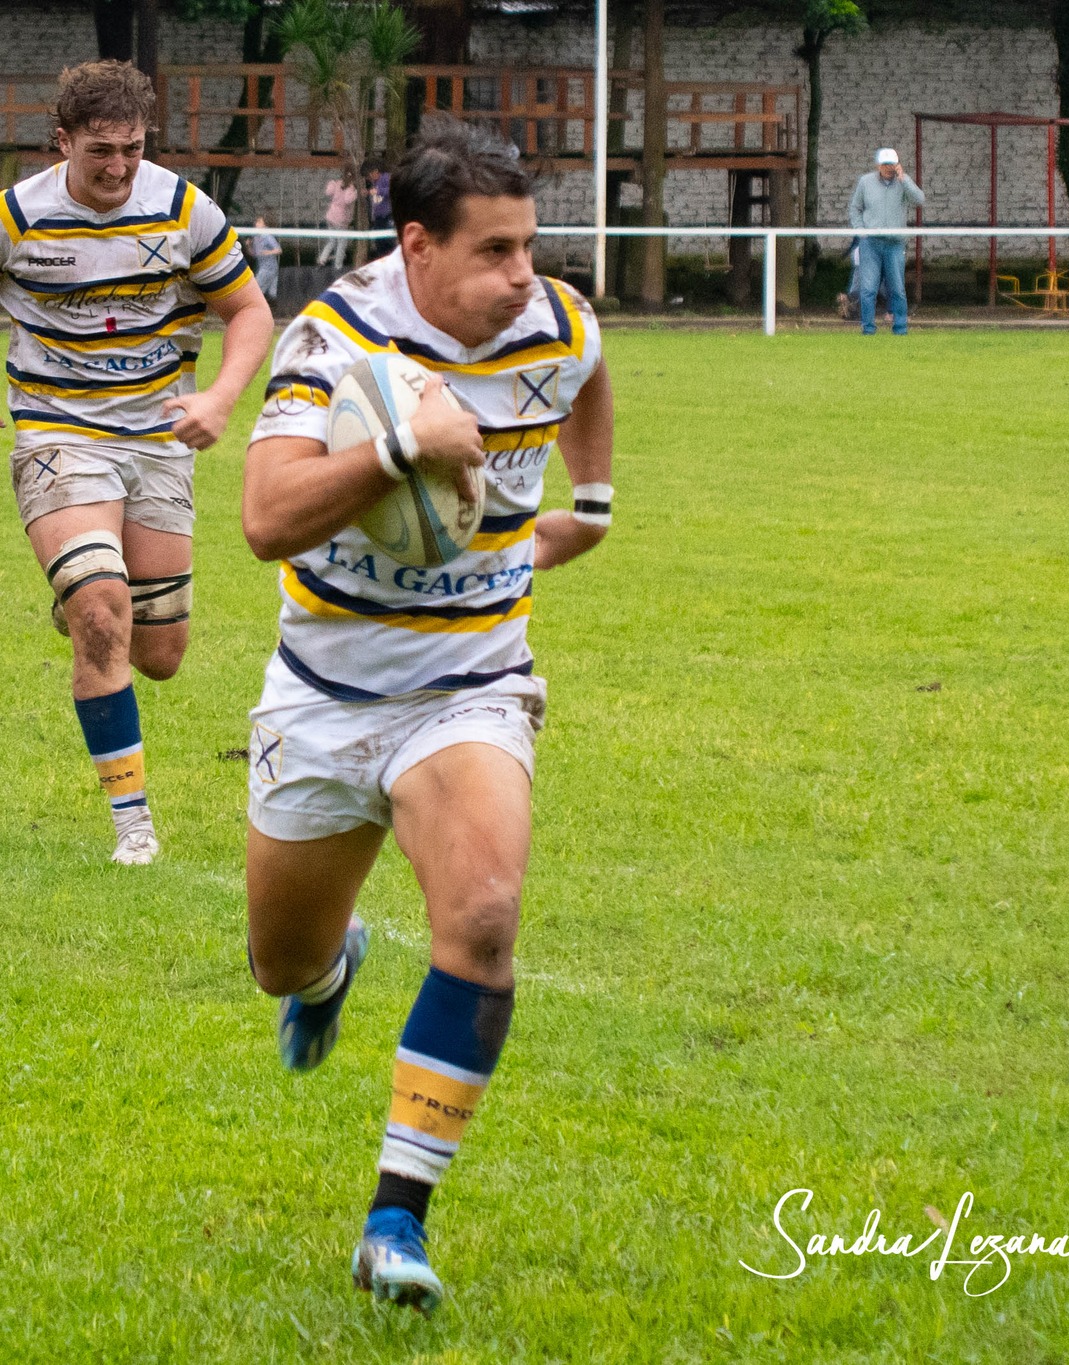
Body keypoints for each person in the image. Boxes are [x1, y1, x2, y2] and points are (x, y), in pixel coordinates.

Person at [239, 121, 613, 1314]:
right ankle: (324, 971)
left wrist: (591, 505)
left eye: (530, 246)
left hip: (470, 680)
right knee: (278, 960)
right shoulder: (332, 338)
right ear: (416, 244)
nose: (525, 276)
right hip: (327, 692)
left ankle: (395, 1219)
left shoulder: (548, 319)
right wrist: (405, 444)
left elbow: (589, 368)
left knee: (486, 918)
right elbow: (264, 517)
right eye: (496, 251)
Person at [1, 60, 271, 864]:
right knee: (101, 610)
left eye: (131, 148)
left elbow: (249, 310)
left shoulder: (185, 212)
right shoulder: (17, 219)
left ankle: (85, 588)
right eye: (100, 152)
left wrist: (219, 398)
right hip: (57, 432)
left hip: (159, 441)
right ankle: (134, 829)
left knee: (158, 655)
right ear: (63, 143)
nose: (118, 167)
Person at [847, 147, 923, 335]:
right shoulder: (865, 182)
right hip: (870, 243)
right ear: (878, 165)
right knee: (868, 289)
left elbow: (919, 199)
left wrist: (904, 179)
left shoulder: (903, 183)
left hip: (895, 243)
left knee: (897, 288)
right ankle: (868, 328)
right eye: (886, 164)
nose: (889, 168)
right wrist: (861, 231)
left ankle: (900, 328)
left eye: (892, 164)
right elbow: (855, 208)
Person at [317, 174, 358, 269]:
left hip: (330, 216)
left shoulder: (337, 183)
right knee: (342, 243)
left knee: (332, 241)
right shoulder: (350, 188)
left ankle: (322, 259)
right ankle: (338, 265)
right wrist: (356, 192)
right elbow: (347, 200)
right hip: (341, 219)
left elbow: (328, 192)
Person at [249, 215, 283, 301]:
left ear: (264, 225)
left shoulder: (267, 236)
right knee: (272, 293)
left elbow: (279, 250)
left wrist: (268, 252)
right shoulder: (255, 237)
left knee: (256, 289)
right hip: (263, 266)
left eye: (259, 222)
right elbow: (254, 254)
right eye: (256, 222)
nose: (256, 224)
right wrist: (249, 246)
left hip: (269, 267)